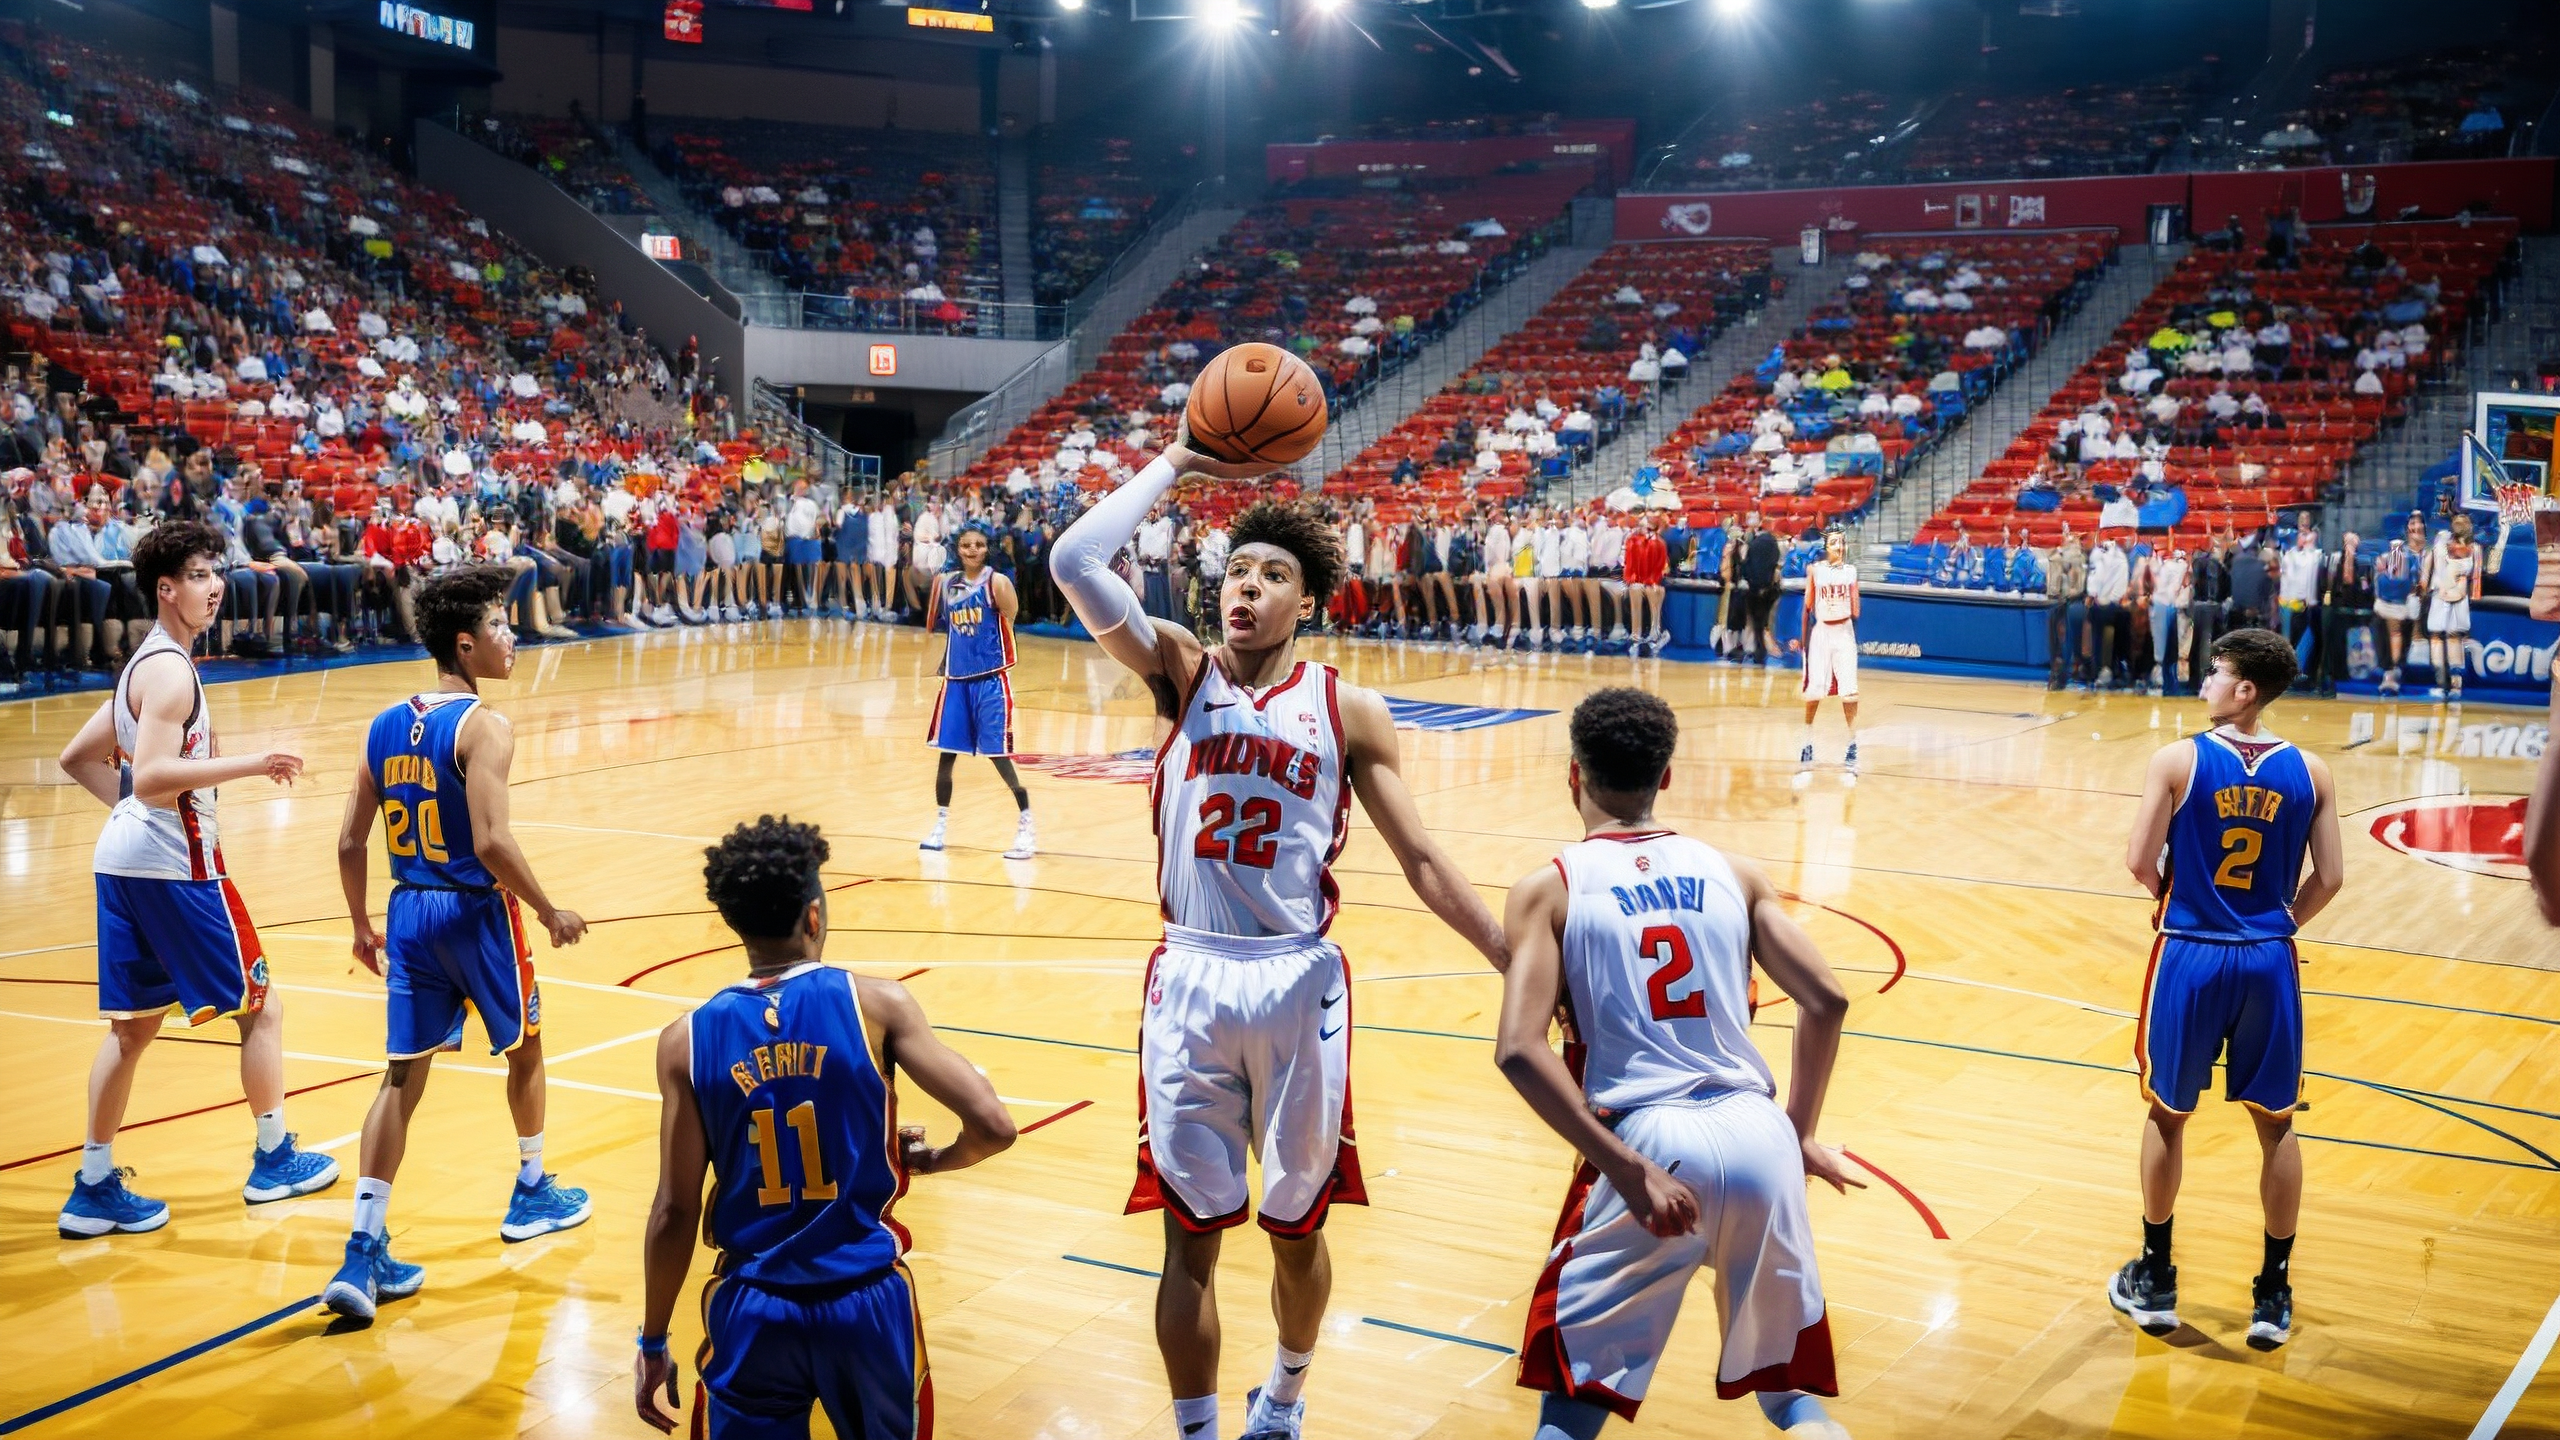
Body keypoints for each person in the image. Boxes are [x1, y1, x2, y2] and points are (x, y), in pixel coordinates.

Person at [1050, 435, 1509, 1440]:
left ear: (1311, 601)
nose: (1245, 588)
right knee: (1188, 1242)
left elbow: (1423, 860)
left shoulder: (1349, 709)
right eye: (1236, 572)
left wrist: (1515, 960)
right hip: (1192, 979)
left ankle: (1287, 1398)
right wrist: (1175, 461)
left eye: (1272, 576)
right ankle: (1198, 1431)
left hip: (1300, 984)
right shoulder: (1179, 671)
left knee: (1296, 1234)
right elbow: (1073, 564)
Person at [1498, 687, 1859, 1440]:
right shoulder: (1735, 871)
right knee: (1790, 1397)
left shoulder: (1550, 888)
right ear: (1667, 777)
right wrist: (1794, 1134)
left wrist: (1628, 1171)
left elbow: (1521, 1049)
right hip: (1759, 1135)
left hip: (1649, 1139)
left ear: (1573, 775)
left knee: (1575, 1397)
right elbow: (1825, 1000)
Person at [633, 816, 1016, 1438]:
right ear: (813, 916)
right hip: (866, 1300)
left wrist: (653, 1340)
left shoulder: (686, 1042)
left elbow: (675, 1211)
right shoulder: (878, 1006)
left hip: (754, 1306)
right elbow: (993, 1125)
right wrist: (933, 1159)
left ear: (733, 922)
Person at [53, 519, 339, 1238]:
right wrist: (253, 762)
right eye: (201, 576)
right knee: (262, 1006)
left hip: (122, 864)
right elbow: (149, 779)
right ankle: (274, 1157)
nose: (215, 587)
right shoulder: (172, 671)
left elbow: (78, 758)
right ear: (166, 589)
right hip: (175, 868)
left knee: (132, 1030)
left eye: (219, 573)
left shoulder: (143, 667)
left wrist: (131, 820)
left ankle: (92, 1185)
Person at [323, 566, 595, 1318]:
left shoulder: (381, 724)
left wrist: (359, 925)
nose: (513, 637)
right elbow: (491, 839)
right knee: (527, 1047)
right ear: (466, 645)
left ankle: (362, 1247)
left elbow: (349, 841)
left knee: (400, 1076)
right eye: (502, 626)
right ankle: (533, 1191)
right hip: (475, 911)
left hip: (407, 912)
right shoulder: (484, 726)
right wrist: (548, 908)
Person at [2112, 629, 2342, 1354]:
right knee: (2276, 1125)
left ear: (2245, 690)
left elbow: (2137, 860)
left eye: (2216, 673)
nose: (2204, 681)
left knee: (2167, 1114)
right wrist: (2276, 927)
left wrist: (2177, 900)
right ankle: (2272, 1295)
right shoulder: (2313, 771)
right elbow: (2331, 879)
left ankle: (2155, 1281)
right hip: (2267, 963)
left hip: (2190, 955)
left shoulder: (2178, 759)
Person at [920, 525, 1035, 860]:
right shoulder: (946, 584)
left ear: (988, 548)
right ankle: (940, 824)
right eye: (966, 545)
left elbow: (1009, 620)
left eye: (979, 545)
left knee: (1000, 758)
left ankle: (1026, 822)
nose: (972, 550)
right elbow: (943, 629)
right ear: (958, 548)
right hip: (955, 683)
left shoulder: (997, 582)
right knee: (946, 758)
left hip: (990, 681)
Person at [1798, 528, 1860, 775]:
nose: (1840, 547)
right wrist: (1803, 642)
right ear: (1826, 547)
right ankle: (1807, 740)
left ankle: (1852, 743)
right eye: (1835, 543)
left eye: (1842, 543)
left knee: (1850, 691)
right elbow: (1806, 608)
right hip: (1822, 632)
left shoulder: (1851, 572)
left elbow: (1856, 611)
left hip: (1843, 631)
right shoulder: (1815, 571)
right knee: (1814, 691)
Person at [2423, 516, 2481, 699]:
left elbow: (2476, 579)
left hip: (2459, 598)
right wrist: (2423, 585)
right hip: (2439, 596)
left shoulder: (2475, 549)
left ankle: (2456, 685)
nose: (2461, 522)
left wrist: (2472, 595)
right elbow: (2428, 566)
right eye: (2457, 519)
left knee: (2454, 637)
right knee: (2436, 637)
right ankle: (2440, 682)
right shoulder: (2440, 543)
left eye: (2465, 520)